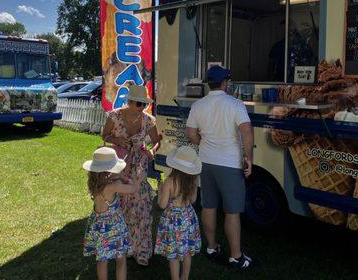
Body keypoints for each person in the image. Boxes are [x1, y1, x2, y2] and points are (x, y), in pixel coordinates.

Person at [186, 65, 255, 270]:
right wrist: (248, 158)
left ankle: (211, 247)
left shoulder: (198, 105)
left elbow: (191, 132)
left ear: (209, 84)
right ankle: (235, 257)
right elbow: (247, 131)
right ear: (225, 83)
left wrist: (203, 144)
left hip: (206, 162)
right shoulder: (235, 104)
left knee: (209, 206)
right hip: (229, 163)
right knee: (232, 212)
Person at [101, 84, 161, 266]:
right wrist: (116, 139)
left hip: (139, 167)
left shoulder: (149, 120)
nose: (141, 107)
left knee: (141, 209)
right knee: (121, 207)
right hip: (118, 166)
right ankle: (124, 247)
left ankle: (142, 250)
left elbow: (157, 142)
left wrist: (152, 151)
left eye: (144, 104)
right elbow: (104, 136)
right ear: (129, 102)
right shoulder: (114, 116)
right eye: (138, 103)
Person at [83, 147, 140, 280]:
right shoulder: (113, 186)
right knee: (120, 259)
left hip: (98, 226)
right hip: (113, 227)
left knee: (102, 260)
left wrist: (118, 177)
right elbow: (133, 188)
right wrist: (135, 177)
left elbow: (112, 181)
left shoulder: (95, 184)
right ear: (110, 170)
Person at [155, 146, 202, 280]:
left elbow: (162, 204)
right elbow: (193, 200)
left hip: (172, 221)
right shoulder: (193, 181)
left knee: (174, 255)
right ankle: (185, 277)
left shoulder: (169, 181)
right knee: (186, 251)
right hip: (188, 217)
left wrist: (159, 193)